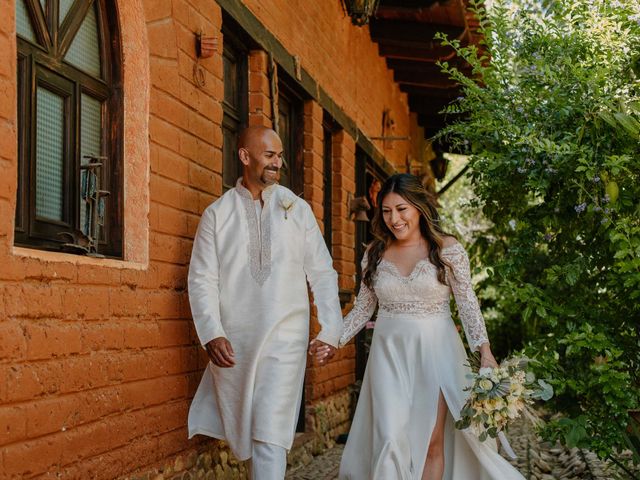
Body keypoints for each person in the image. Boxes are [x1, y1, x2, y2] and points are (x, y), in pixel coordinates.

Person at [325, 174, 525, 479]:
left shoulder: (447, 249)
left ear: (419, 207)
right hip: (388, 354)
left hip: (437, 353)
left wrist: (484, 351)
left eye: (402, 209)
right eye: (387, 211)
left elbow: (468, 304)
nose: (394, 219)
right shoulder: (374, 254)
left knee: (432, 442)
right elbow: (364, 308)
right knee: (390, 437)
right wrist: (332, 339)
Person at [187, 126, 343, 479]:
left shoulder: (297, 209)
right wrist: (211, 332)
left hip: (286, 336)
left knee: (271, 432)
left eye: (280, 155)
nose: (278, 163)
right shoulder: (218, 214)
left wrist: (331, 329)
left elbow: (322, 271)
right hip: (236, 341)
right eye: (270, 155)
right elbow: (201, 279)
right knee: (248, 434)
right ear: (245, 156)